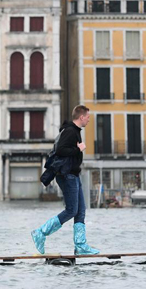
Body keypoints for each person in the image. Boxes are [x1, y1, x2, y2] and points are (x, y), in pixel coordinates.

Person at [31, 105, 100, 255]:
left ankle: (81, 246)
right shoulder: (70, 131)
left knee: (80, 210)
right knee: (71, 210)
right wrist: (78, 149)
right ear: (81, 117)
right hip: (67, 175)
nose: (89, 119)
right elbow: (61, 149)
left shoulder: (73, 131)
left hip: (73, 174)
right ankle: (40, 233)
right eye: (87, 116)